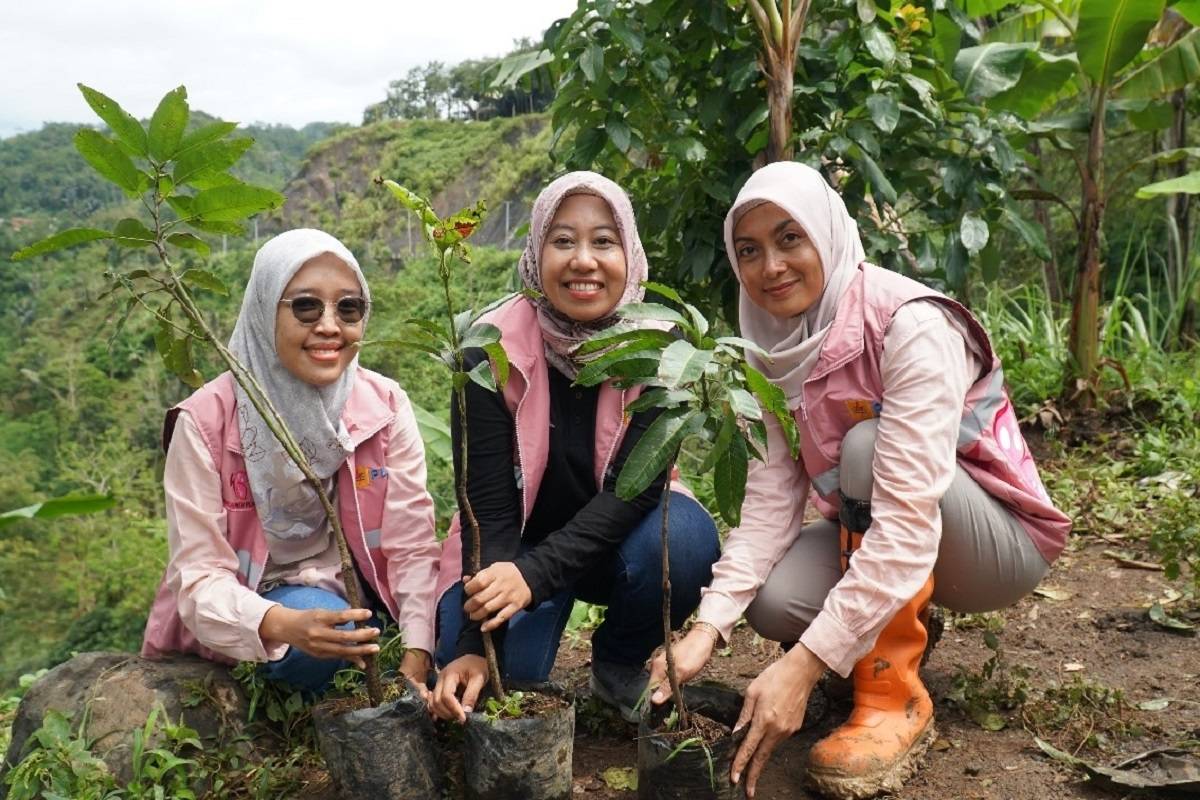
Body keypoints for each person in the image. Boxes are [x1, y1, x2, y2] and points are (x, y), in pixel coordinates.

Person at [647, 162, 1071, 799]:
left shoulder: (910, 324)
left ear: (828, 233)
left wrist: (804, 663)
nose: (771, 267)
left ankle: (890, 698)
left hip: (997, 544)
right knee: (772, 596)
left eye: (791, 239)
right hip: (893, 539)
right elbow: (768, 507)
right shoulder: (767, 348)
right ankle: (880, 635)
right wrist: (706, 630)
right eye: (750, 250)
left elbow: (903, 525)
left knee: (866, 445)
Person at [430, 171, 721, 723]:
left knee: (682, 544)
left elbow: (631, 494)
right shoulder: (486, 348)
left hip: (617, 537)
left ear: (629, 253)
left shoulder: (665, 347)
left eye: (603, 241)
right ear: (537, 253)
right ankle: (494, 643)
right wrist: (472, 637)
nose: (583, 260)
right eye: (563, 241)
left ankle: (617, 666)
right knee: (497, 680)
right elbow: (487, 507)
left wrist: (534, 577)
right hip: (511, 546)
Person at [142, 228, 449, 696]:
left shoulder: (383, 405)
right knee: (327, 642)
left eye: (349, 308)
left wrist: (418, 652)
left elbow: (410, 540)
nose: (329, 325)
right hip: (258, 605)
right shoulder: (206, 421)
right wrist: (283, 623)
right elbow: (199, 576)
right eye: (306, 306)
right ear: (265, 311)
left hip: (354, 595)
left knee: (464, 608)